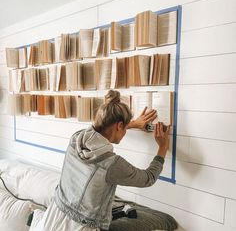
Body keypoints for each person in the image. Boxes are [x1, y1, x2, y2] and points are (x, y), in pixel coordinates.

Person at [35, 90, 170, 231]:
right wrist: (162, 148)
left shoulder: (76, 139)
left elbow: (99, 128)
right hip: (80, 227)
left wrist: (132, 124)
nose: (124, 133)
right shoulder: (111, 164)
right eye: (124, 128)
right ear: (119, 126)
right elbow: (148, 178)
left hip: (52, 216)